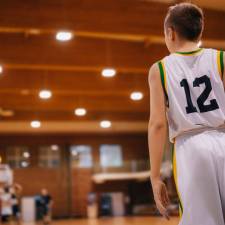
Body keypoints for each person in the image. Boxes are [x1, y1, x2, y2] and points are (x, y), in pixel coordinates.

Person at [148, 2, 225, 225]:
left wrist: (155, 177)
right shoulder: (220, 59)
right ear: (199, 31)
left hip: (191, 147)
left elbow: (157, 125)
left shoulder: (160, 69)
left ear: (170, 33)